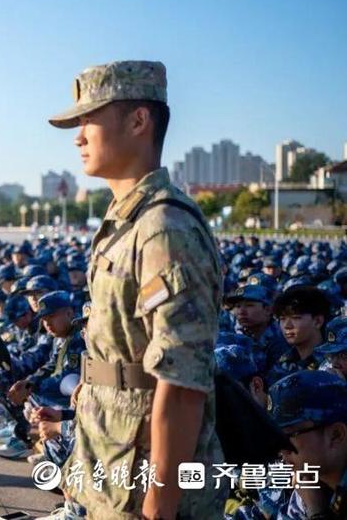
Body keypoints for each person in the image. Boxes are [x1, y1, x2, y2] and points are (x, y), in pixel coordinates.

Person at [48, 60, 224, 518]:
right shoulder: (127, 221)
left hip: (146, 484)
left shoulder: (163, 228)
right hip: (112, 464)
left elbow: (181, 382)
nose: (78, 136)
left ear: (139, 121)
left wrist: (159, 506)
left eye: (89, 119)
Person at [269, 370, 347, 519]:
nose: (280, 449)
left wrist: (316, 512)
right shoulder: (310, 478)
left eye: (288, 435)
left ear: (336, 435)